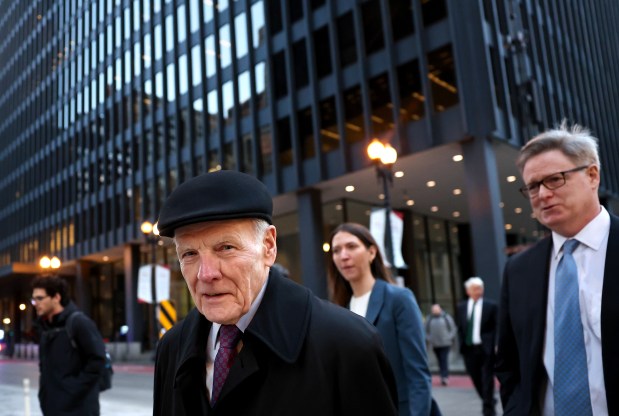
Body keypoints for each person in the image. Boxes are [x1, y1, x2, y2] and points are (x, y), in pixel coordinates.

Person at [154, 170, 398, 415]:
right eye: (189, 254)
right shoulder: (171, 348)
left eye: (226, 247)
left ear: (268, 247)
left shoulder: (348, 345)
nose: (206, 274)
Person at [495, 121, 619, 415]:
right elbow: (509, 363)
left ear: (592, 175)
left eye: (555, 179)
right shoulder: (518, 270)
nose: (543, 194)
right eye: (533, 186)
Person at [328, 222, 433, 416]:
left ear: (372, 252)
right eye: (336, 250)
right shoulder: (338, 310)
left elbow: (418, 374)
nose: (343, 256)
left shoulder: (399, 299)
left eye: (351, 246)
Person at [31, 275, 107, 416]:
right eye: (33, 299)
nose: (35, 303)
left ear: (56, 298)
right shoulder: (45, 328)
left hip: (79, 409)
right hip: (52, 408)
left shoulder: (78, 323)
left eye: (40, 298)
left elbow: (98, 361)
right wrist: (45, 395)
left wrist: (71, 390)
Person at [456, 277, 498, 416]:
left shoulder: (491, 306)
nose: (478, 291)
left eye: (480, 288)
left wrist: (496, 344)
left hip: (486, 348)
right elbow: (461, 328)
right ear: (468, 291)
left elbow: (497, 327)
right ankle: (489, 399)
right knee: (476, 378)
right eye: (474, 288)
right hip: (469, 349)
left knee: (487, 378)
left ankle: (488, 410)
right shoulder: (461, 307)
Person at [425, 303, 457, 386]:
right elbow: (425, 331)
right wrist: (429, 338)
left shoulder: (446, 317)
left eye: (436, 309)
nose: (435, 311)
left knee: (443, 359)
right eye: (433, 309)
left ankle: (444, 377)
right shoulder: (429, 319)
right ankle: (443, 375)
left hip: (445, 343)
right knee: (439, 360)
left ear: (440, 309)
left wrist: (448, 337)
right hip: (435, 344)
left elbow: (453, 329)